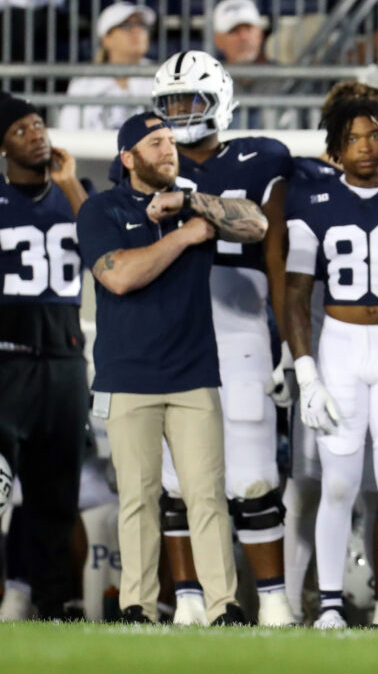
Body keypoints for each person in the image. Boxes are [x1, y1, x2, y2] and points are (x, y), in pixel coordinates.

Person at [77, 111, 268, 625]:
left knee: (207, 494)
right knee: (138, 498)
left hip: (193, 374)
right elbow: (119, 277)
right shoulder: (101, 210)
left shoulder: (192, 200)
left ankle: (223, 604)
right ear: (128, 156)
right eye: (154, 142)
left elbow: (256, 222)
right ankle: (137, 605)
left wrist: (189, 204)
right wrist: (185, 236)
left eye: (170, 141)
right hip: (126, 376)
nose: (168, 149)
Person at [146, 50, 294, 626]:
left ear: (221, 99)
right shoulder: (145, 159)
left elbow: (270, 241)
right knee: (174, 474)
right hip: (171, 318)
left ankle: (274, 598)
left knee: (253, 468)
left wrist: (287, 345)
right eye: (172, 103)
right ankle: (188, 599)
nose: (181, 114)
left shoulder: (263, 155)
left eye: (192, 100)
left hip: (241, 317)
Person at [285, 98, 378, 629]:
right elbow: (296, 292)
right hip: (341, 345)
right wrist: (305, 373)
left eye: (376, 135)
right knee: (337, 482)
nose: (367, 147)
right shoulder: (313, 200)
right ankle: (329, 602)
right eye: (355, 138)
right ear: (335, 148)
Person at [0, 97, 91, 620]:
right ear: (3, 145)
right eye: (20, 129)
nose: (36, 134)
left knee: (57, 496)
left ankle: (54, 603)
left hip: (63, 362)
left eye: (38, 124)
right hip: (6, 364)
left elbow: (106, 247)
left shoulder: (78, 196)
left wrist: (72, 185)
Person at [58, 2, 155, 131]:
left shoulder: (161, 76)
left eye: (141, 25)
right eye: (126, 26)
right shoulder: (84, 82)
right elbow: (68, 130)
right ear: (106, 39)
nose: (137, 31)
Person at [211, 0, 278, 130]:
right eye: (234, 31)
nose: (244, 37)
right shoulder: (210, 80)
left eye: (248, 29)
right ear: (219, 40)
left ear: (260, 34)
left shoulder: (282, 77)